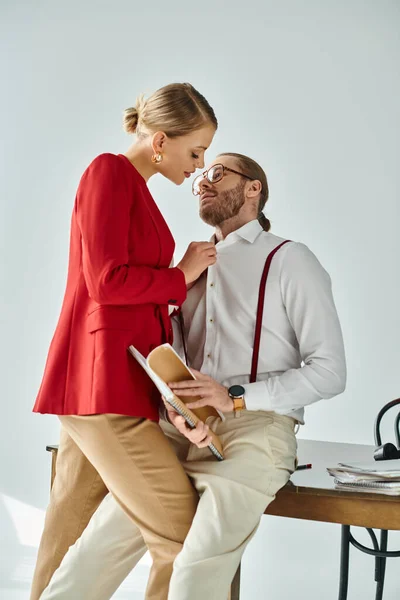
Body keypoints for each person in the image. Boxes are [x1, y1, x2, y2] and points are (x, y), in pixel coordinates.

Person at [39, 153, 346, 600]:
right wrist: (177, 406)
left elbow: (330, 371)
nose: (203, 181)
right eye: (200, 175)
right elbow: (174, 357)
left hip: (256, 434)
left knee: (196, 568)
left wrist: (234, 397)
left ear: (253, 188)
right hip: (181, 429)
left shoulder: (289, 259)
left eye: (217, 173)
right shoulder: (190, 268)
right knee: (92, 552)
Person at [30, 82, 218, 600]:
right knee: (184, 538)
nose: (198, 165)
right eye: (194, 151)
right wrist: (180, 275)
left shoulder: (137, 187)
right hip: (102, 382)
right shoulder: (108, 172)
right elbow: (106, 282)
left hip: (115, 380)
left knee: (66, 532)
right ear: (160, 140)